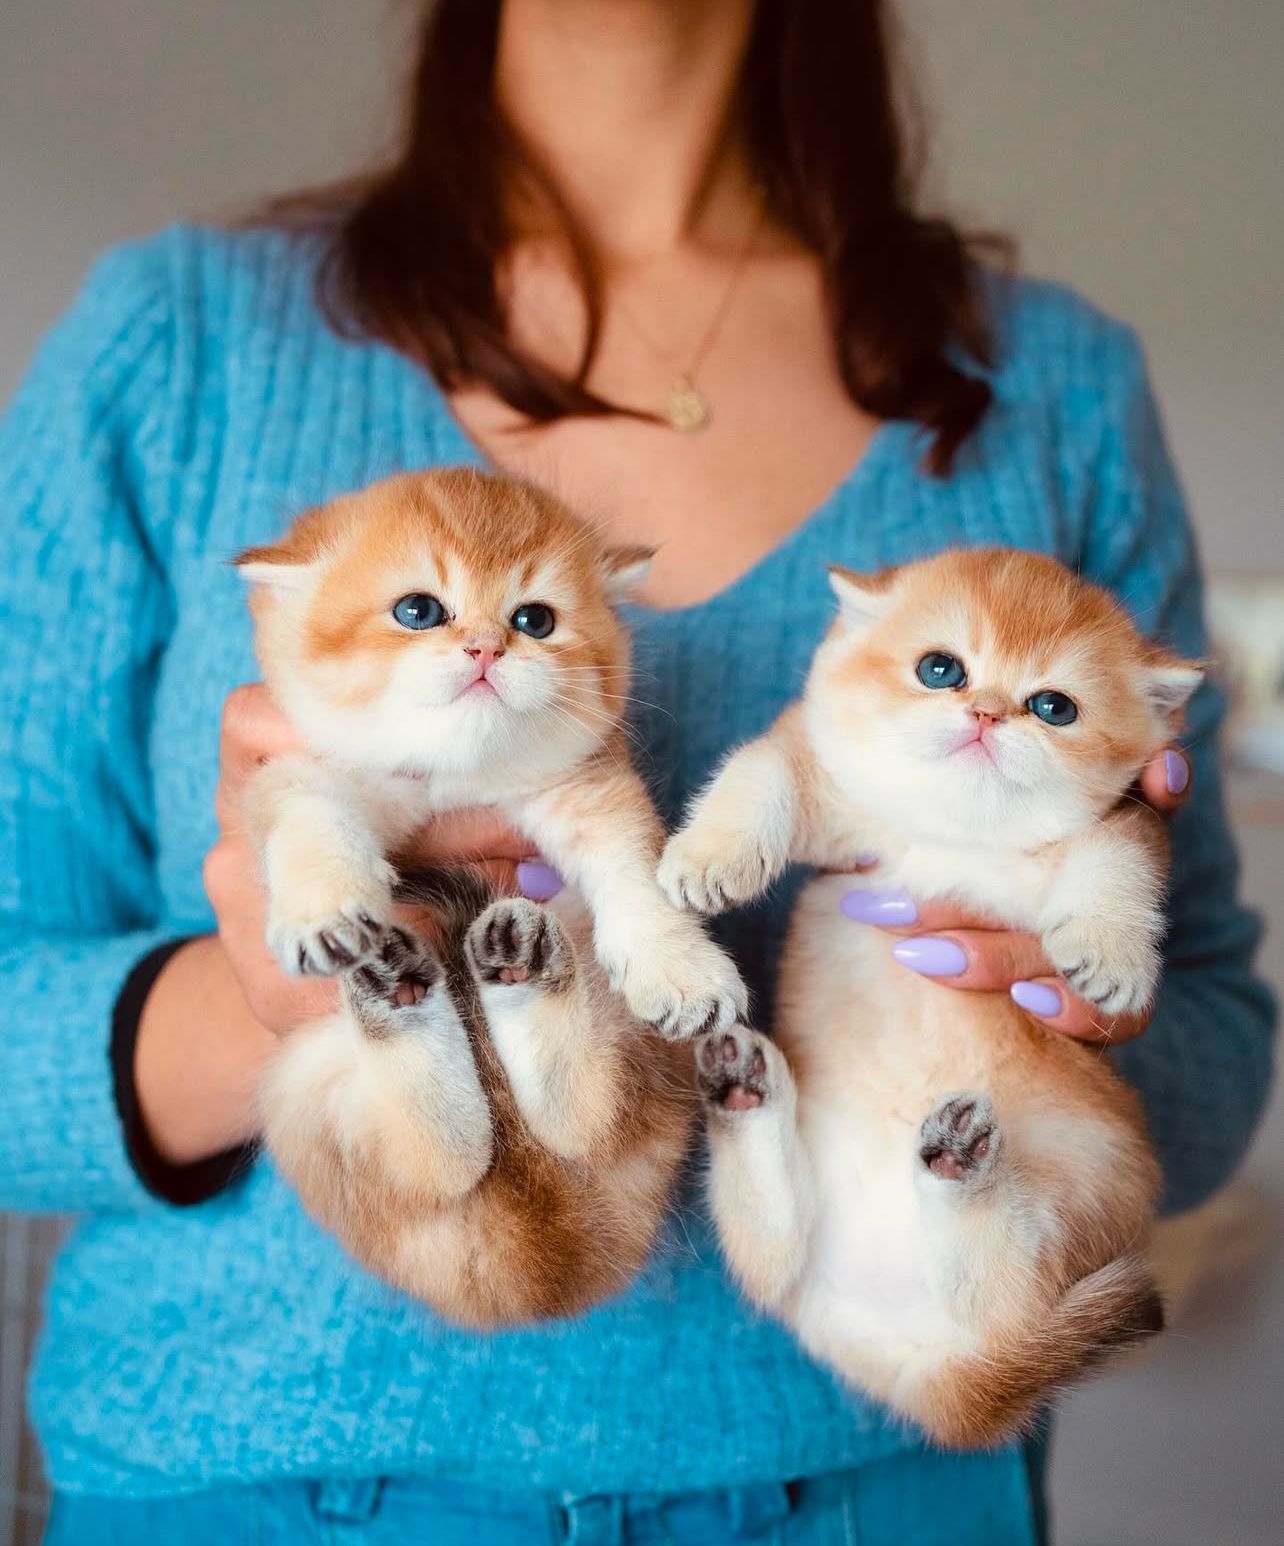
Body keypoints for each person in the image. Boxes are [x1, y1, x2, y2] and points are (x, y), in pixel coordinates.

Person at [0, 2, 1273, 1542]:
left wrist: (1058, 1015)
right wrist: (262, 997)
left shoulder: (1053, 389)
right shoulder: (178, 347)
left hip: (877, 1489)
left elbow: (1209, 1037)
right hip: (258, 1488)